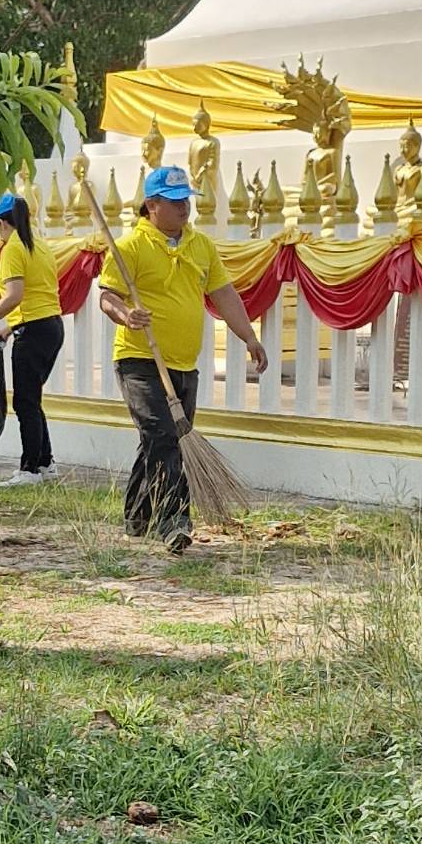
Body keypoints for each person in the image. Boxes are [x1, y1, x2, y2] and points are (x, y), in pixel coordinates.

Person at [98, 165, 268, 553]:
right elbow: (108, 296)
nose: (183, 210)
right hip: (139, 358)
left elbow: (224, 294)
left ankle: (137, 515)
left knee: (158, 441)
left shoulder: (201, 246)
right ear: (151, 205)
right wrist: (127, 315)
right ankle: (175, 520)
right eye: (174, 203)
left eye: (186, 202)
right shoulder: (128, 249)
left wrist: (249, 337)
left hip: (183, 363)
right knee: (163, 436)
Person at [0, 193, 64, 488]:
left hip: (33, 332)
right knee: (32, 399)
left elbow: (14, 295)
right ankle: (45, 463)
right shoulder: (40, 247)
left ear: (0, 222)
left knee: (25, 402)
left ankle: (30, 469)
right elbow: (35, 295)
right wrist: (8, 328)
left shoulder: (12, 249)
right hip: (50, 327)